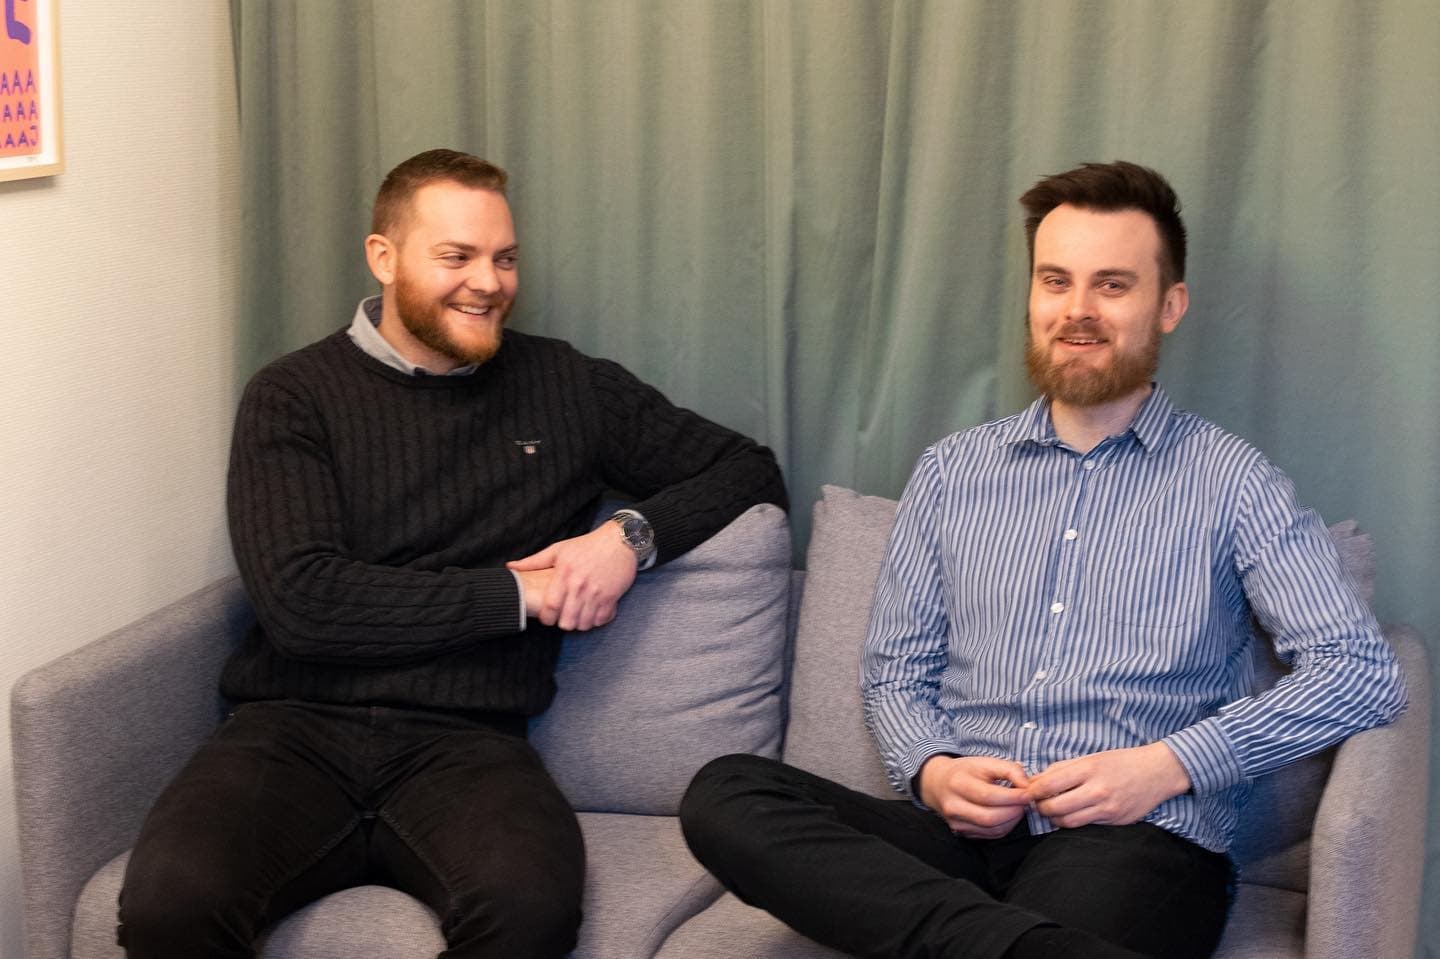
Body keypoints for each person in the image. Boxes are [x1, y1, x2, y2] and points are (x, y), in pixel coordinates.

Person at [680, 160, 1406, 959]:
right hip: (955, 839)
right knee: (728, 791)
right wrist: (931, 769)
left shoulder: (1234, 481)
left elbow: (1359, 672)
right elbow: (896, 670)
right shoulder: (952, 471)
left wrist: (1167, 764)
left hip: (1133, 839)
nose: (1077, 310)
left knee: (1082, 900)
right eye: (1055, 281)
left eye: (1112, 285)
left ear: (1169, 305)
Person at [117, 148, 788, 958]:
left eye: (504, 258)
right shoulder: (293, 395)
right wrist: (521, 594)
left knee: (529, 910)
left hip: (469, 743)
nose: (488, 282)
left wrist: (627, 539)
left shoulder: (569, 385)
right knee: (169, 904)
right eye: (457, 256)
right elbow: (303, 604)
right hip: (290, 730)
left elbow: (749, 468)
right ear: (384, 256)